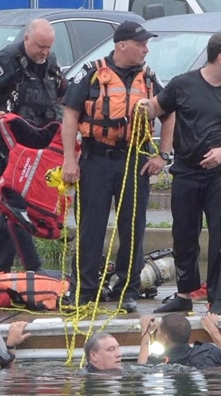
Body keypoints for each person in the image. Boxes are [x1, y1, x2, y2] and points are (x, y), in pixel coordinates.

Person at [61, 20, 173, 313]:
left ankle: (128, 290)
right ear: (122, 45)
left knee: (132, 229)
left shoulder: (148, 77)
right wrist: (69, 161)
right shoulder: (92, 73)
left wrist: (163, 155)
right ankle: (84, 291)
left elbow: (169, 113)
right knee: (90, 229)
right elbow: (70, 116)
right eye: (141, 44)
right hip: (96, 159)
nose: (146, 49)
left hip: (135, 160)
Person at [141, 32, 221, 315]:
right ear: (220, 57)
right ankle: (184, 294)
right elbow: (156, 108)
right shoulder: (183, 84)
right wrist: (143, 106)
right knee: (184, 235)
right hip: (187, 174)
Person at [0, 19, 65, 278]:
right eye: (40, 47)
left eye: (48, 47)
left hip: (32, 151)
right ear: (26, 39)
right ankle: (33, 267)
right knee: (13, 204)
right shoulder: (6, 61)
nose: (44, 52)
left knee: (11, 209)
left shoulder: (51, 63)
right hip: (0, 146)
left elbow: (61, 96)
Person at [137, 313, 221, 368]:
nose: (156, 332)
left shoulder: (160, 361)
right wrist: (213, 330)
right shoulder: (208, 352)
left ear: (164, 339)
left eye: (158, 330)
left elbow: (142, 365)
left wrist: (146, 332)